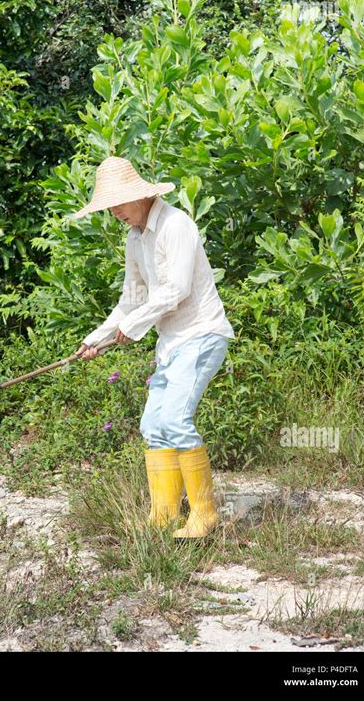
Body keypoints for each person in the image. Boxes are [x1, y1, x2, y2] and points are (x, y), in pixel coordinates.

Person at [72, 156, 235, 538]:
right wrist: (95, 337)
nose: (114, 212)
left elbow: (176, 290)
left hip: (201, 334)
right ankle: (163, 516)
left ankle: (205, 515)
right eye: (109, 206)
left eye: (118, 203)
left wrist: (133, 326)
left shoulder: (177, 225)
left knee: (175, 421)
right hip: (171, 343)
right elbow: (131, 299)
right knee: (153, 425)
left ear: (140, 196)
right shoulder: (135, 239)